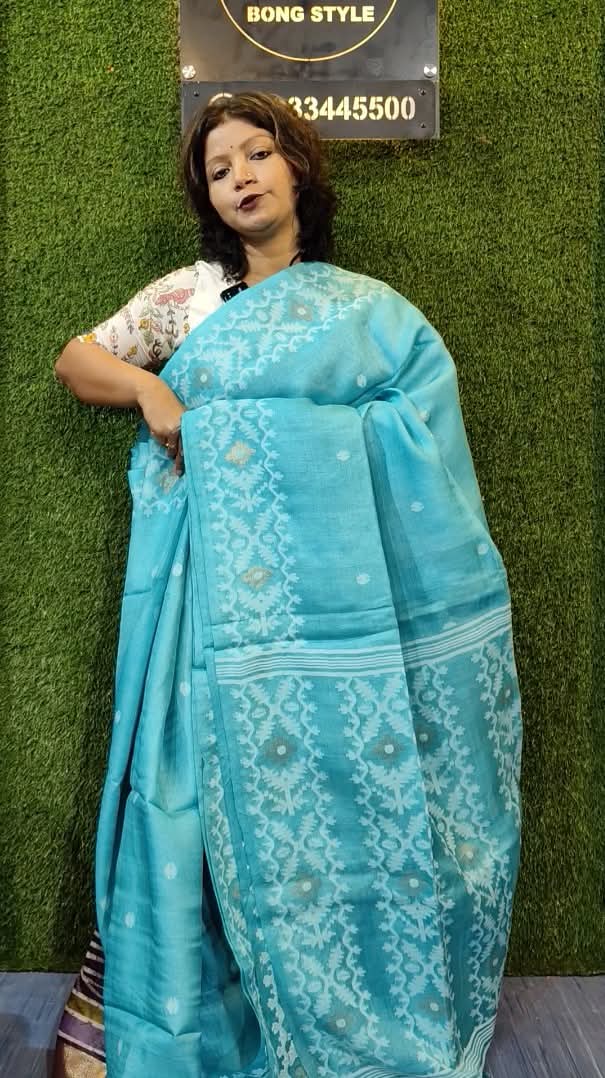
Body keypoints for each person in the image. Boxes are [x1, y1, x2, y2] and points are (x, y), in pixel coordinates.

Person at [53, 92, 523, 1078]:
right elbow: (77, 360)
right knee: (193, 790)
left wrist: (258, 434)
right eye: (219, 169)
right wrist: (149, 387)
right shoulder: (186, 299)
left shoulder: (369, 313)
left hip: (353, 627)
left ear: (296, 166)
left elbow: (418, 432)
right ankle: (193, 1016)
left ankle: (354, 1004)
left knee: (348, 789)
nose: (241, 177)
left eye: (256, 154)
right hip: (210, 610)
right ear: (208, 199)